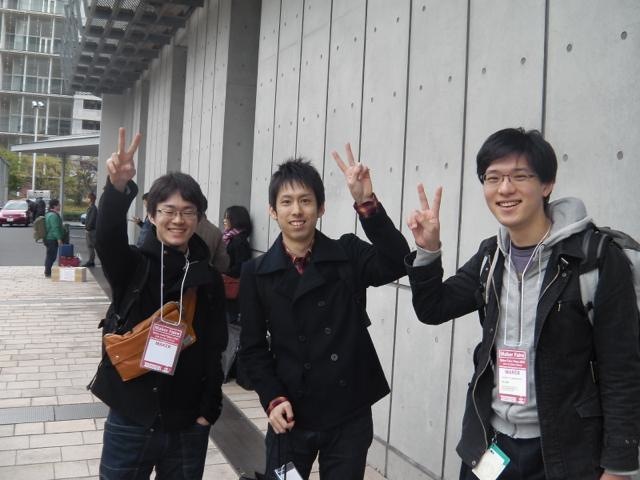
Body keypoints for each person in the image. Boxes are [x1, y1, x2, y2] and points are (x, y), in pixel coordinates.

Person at [405, 127, 640, 480]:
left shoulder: (595, 259)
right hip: (492, 445)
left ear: (547, 184)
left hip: (565, 452)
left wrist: (619, 467)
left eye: (520, 176)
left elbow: (622, 369)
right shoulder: (492, 256)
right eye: (493, 178)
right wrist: (428, 250)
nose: (504, 189)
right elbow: (434, 309)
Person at [239, 146, 410, 479]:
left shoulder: (347, 253)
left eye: (306, 200)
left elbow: (396, 262)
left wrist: (367, 203)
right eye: (286, 202)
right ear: (272, 211)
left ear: (321, 208)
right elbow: (253, 348)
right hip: (290, 412)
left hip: (348, 413)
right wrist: (272, 398)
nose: (296, 210)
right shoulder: (256, 273)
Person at [91, 128, 228, 479]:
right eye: (168, 210)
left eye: (188, 212)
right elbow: (106, 237)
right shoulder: (133, 265)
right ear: (152, 215)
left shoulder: (207, 277)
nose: (178, 220)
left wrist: (208, 411)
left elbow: (215, 346)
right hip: (131, 416)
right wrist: (117, 188)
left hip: (187, 422)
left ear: (199, 219)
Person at [220, 205, 252, 383]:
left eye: (227, 217)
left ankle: (228, 368)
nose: (224, 220)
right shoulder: (230, 238)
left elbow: (241, 267)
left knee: (231, 329)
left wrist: (223, 271)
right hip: (228, 290)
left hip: (233, 292)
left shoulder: (239, 241)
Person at [43, 199, 63, 277]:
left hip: (48, 238)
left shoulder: (48, 214)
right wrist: (59, 239)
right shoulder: (53, 216)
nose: (60, 206)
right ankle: (47, 272)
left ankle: (47, 271)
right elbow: (55, 228)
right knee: (51, 256)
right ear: (54, 206)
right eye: (59, 205)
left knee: (50, 255)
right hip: (52, 238)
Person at [83, 192, 98, 267]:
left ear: (90, 199)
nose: (86, 199)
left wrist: (87, 228)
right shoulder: (91, 207)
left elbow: (91, 219)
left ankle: (91, 261)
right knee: (91, 246)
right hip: (90, 230)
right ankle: (91, 261)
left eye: (87, 197)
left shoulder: (93, 208)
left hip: (91, 231)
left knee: (91, 246)